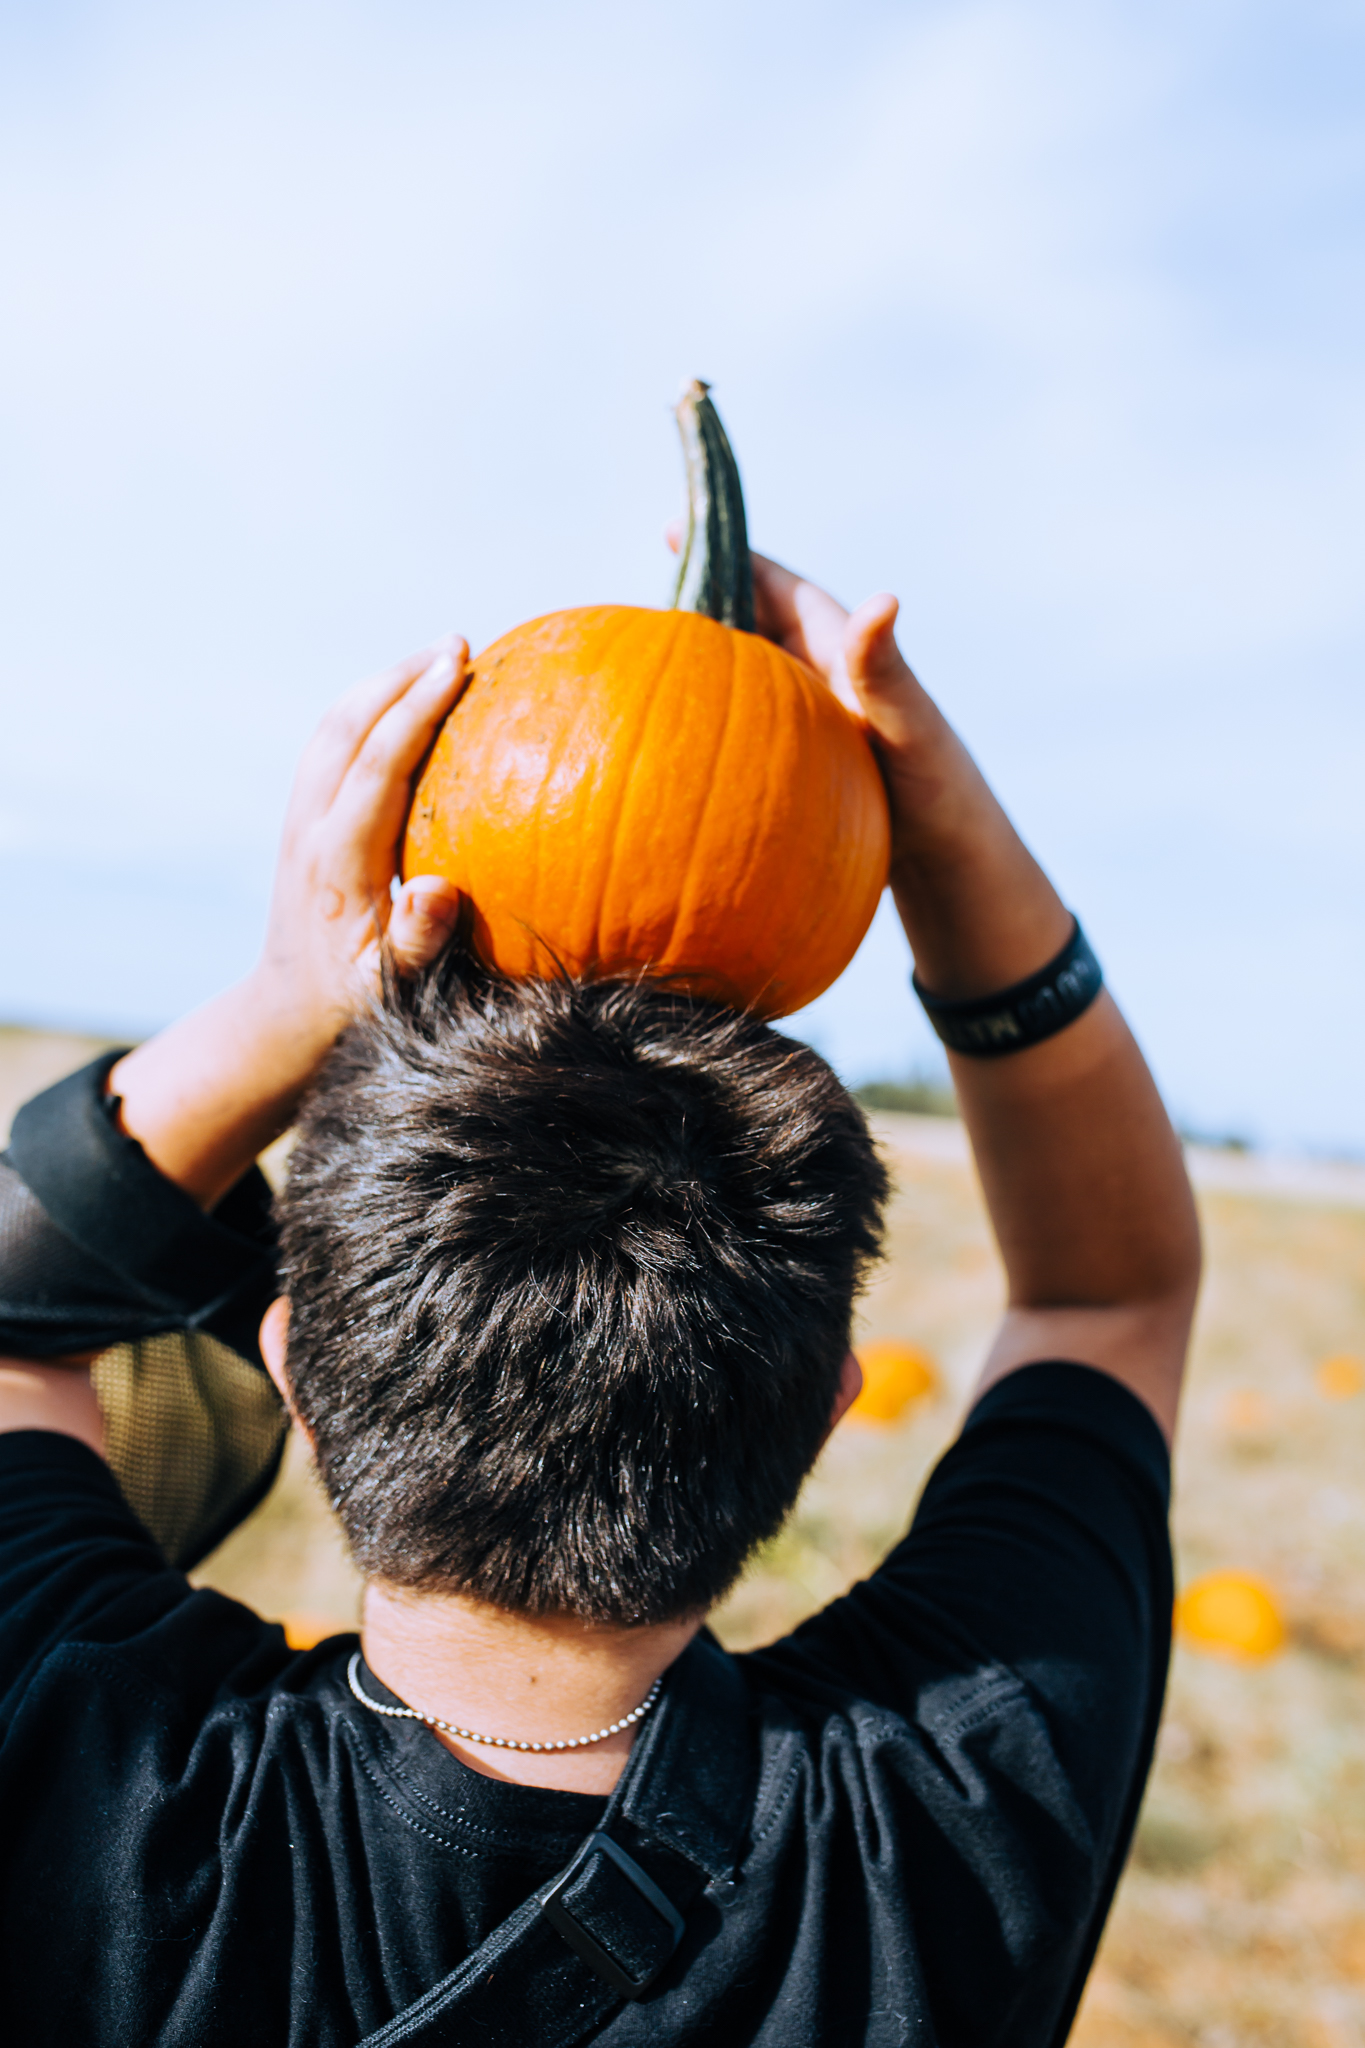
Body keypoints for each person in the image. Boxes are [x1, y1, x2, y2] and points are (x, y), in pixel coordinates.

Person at [0, 555, 1200, 2047]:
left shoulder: (72, 1740)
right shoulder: (945, 1811)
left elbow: (13, 1318)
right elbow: (1111, 1293)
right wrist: (933, 826)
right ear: (829, 1406)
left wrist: (286, 1003)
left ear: (297, 1367)